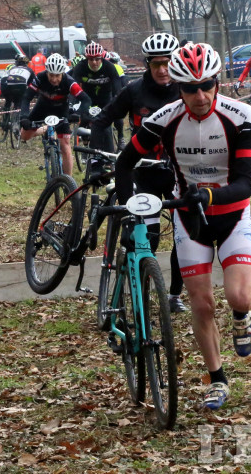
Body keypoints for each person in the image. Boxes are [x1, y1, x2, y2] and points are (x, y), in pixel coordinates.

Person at [115, 42, 251, 411]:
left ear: (217, 82)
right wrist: (127, 202)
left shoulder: (240, 115)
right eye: (190, 88)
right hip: (188, 217)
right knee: (201, 302)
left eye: (207, 84)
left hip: (232, 213)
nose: (200, 95)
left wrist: (210, 196)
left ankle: (243, 317)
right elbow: (125, 161)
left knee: (238, 297)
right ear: (178, 88)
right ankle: (217, 378)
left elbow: (245, 183)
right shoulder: (164, 118)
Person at [91, 32, 186, 313]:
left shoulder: (185, 90)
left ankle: (174, 295)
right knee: (150, 236)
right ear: (147, 64)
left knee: (185, 235)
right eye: (155, 64)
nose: (161, 69)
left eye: (167, 63)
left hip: (176, 173)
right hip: (142, 172)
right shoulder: (134, 90)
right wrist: (99, 159)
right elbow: (101, 120)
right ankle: (142, 292)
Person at [20, 53, 91, 177]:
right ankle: (44, 129)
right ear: (46, 72)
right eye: (51, 75)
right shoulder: (40, 78)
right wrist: (24, 117)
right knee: (24, 136)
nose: (54, 79)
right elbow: (26, 97)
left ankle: (68, 183)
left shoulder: (69, 81)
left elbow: (86, 100)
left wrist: (77, 114)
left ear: (62, 73)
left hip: (61, 110)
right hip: (42, 107)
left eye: (57, 75)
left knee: (65, 144)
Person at [71, 41, 125, 149]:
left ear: (102, 58)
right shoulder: (80, 67)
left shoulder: (109, 67)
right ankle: (86, 144)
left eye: (97, 59)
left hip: (106, 98)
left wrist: (117, 101)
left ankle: (120, 137)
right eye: (91, 59)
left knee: (115, 116)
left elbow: (117, 87)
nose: (94, 62)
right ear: (87, 58)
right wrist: (72, 104)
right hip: (88, 99)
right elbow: (72, 87)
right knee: (84, 119)